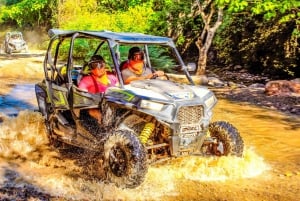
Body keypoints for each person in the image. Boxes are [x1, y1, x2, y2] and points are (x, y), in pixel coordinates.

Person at [78, 55, 118, 122]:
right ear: (90, 68)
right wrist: (93, 111)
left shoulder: (113, 78)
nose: (97, 69)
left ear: (104, 65)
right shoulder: (86, 80)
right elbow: (81, 96)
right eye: (93, 66)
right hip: (93, 109)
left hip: (112, 108)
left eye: (100, 65)